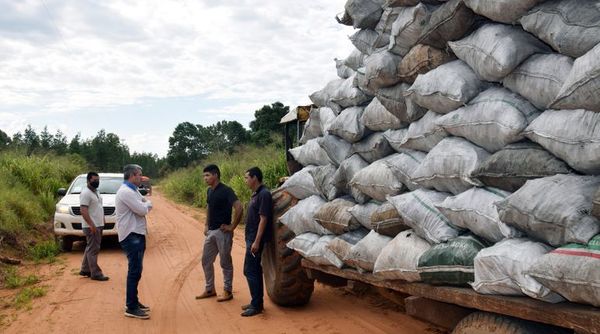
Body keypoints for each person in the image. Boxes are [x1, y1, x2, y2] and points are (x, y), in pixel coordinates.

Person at [196, 164, 243, 302]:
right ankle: (210, 289)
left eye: (207, 175)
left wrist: (232, 226)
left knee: (225, 262)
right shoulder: (209, 191)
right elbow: (209, 207)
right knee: (206, 260)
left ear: (215, 175)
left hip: (223, 233)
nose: (205, 178)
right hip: (211, 232)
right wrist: (206, 225)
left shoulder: (226, 191)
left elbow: (239, 207)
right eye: (204, 176)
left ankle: (228, 291)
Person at [116, 164, 152, 320]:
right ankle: (131, 307)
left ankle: (133, 302)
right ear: (132, 175)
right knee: (134, 271)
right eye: (139, 175)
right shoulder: (126, 192)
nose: (141, 177)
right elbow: (144, 208)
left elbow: (144, 202)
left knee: (136, 271)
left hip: (136, 233)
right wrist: (147, 204)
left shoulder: (133, 190)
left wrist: (146, 204)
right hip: (131, 235)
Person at [241, 167, 273, 317]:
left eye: (247, 177)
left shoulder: (264, 194)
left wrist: (256, 242)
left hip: (254, 240)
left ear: (254, 178)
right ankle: (256, 301)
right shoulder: (256, 194)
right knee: (250, 271)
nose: (245, 180)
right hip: (251, 238)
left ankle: (256, 305)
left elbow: (263, 219)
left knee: (251, 271)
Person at [79, 171, 109, 281]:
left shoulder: (96, 192)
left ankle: (85, 269)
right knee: (94, 249)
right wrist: (91, 224)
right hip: (92, 226)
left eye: (98, 180)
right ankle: (95, 273)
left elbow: (99, 206)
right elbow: (83, 210)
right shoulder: (86, 193)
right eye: (94, 180)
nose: (97, 182)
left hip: (98, 223)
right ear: (88, 180)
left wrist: (103, 219)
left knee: (90, 247)